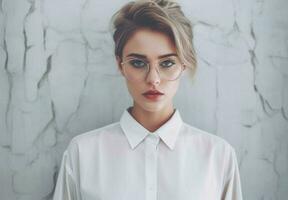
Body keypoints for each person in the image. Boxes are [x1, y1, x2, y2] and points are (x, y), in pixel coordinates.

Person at [53, 0, 243, 199]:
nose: (153, 79)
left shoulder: (218, 156)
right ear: (120, 64)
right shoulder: (82, 154)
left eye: (167, 63)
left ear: (184, 65)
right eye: (138, 63)